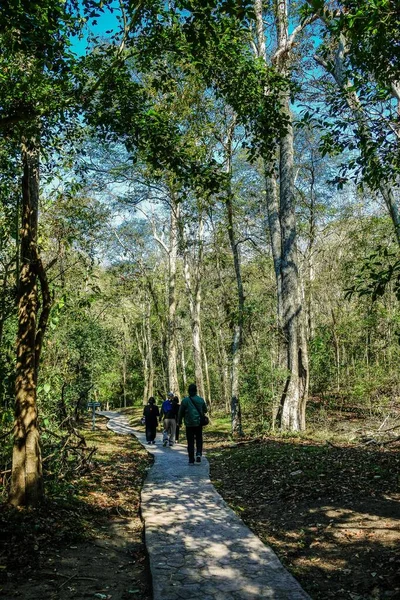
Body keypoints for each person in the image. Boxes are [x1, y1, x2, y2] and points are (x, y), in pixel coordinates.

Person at [178, 383, 207, 465]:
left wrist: (179, 422)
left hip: (189, 424)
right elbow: (205, 410)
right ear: (196, 391)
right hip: (198, 423)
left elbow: (180, 412)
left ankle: (191, 459)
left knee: (190, 441)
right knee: (199, 439)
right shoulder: (201, 400)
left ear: (189, 391)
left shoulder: (185, 401)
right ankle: (198, 454)